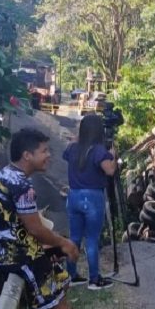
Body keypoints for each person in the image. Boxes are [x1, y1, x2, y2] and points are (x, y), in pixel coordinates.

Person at [0, 127, 122, 309]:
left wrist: (52, 246)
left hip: (8, 247)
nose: (49, 155)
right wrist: (63, 244)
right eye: (44, 151)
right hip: (13, 254)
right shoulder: (22, 185)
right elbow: (35, 229)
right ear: (27, 156)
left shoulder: (7, 174)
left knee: (59, 275)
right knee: (54, 289)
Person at [63, 113, 117, 290]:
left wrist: (77, 139)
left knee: (75, 237)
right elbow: (109, 171)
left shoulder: (73, 148)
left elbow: (66, 154)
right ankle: (94, 279)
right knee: (92, 239)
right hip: (92, 197)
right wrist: (113, 156)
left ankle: (71, 275)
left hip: (73, 196)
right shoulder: (98, 150)